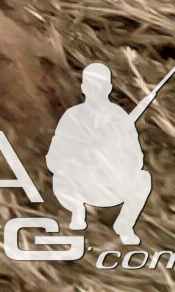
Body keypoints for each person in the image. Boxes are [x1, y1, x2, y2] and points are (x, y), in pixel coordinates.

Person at [47, 62, 153, 243]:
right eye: (91, 85)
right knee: (61, 178)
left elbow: (136, 158)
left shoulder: (119, 117)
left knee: (143, 179)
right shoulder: (73, 116)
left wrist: (115, 151)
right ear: (84, 87)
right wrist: (81, 157)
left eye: (100, 85)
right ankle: (77, 214)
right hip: (81, 185)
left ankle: (124, 225)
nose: (96, 90)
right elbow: (54, 158)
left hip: (111, 184)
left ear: (108, 88)